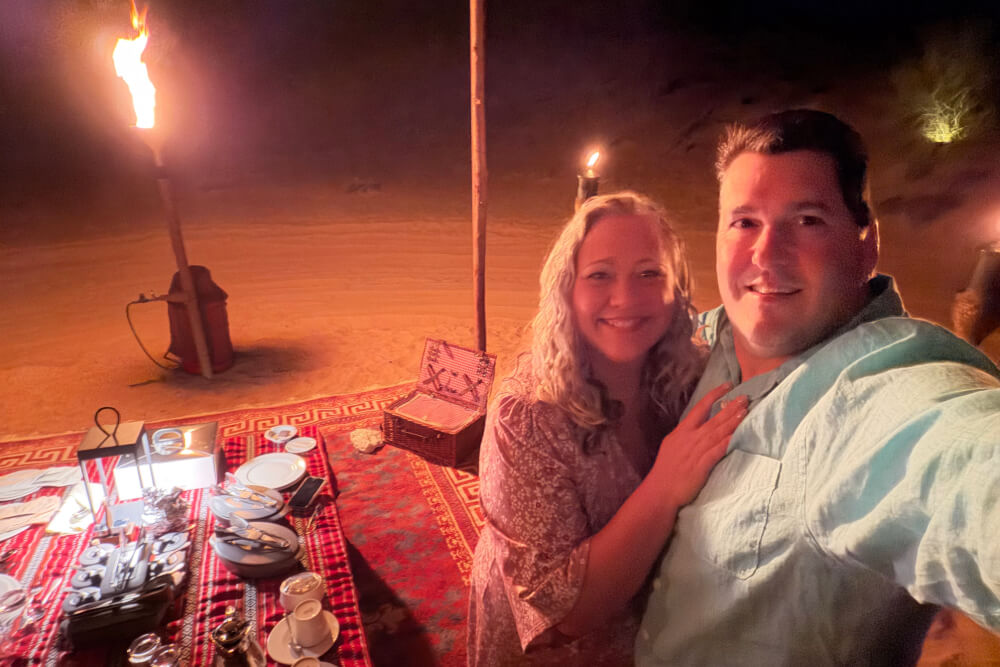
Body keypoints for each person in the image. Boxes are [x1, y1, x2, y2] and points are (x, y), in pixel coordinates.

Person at [636, 109, 1000, 666]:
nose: (765, 253)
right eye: (744, 222)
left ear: (867, 244)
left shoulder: (877, 390)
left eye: (807, 220)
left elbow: (960, 464)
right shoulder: (707, 340)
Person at [467, 192, 748, 665]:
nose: (626, 298)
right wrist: (665, 485)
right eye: (600, 275)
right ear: (567, 290)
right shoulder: (528, 416)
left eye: (649, 273)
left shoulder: (688, 378)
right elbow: (564, 614)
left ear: (677, 287)